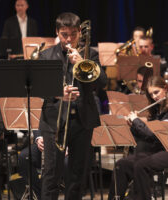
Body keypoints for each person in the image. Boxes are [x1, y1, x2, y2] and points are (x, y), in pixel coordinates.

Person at [38, 12, 107, 200]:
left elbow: (102, 82)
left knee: (78, 176)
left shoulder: (90, 53)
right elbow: (38, 89)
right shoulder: (46, 55)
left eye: (73, 34)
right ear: (57, 33)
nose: (69, 39)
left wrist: (83, 62)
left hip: (82, 121)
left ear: (79, 33)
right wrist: (59, 94)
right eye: (64, 34)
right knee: (51, 175)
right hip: (55, 121)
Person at [108, 76, 168, 200]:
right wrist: (132, 125)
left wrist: (136, 120)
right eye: (152, 94)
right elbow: (146, 136)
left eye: (157, 92)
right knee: (121, 165)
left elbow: (154, 135)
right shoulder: (156, 110)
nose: (155, 97)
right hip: (154, 151)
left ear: (165, 89)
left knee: (141, 165)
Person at [17, 130, 43, 199]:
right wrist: (39, 138)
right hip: (46, 141)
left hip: (68, 143)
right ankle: (38, 195)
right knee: (23, 157)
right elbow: (37, 122)